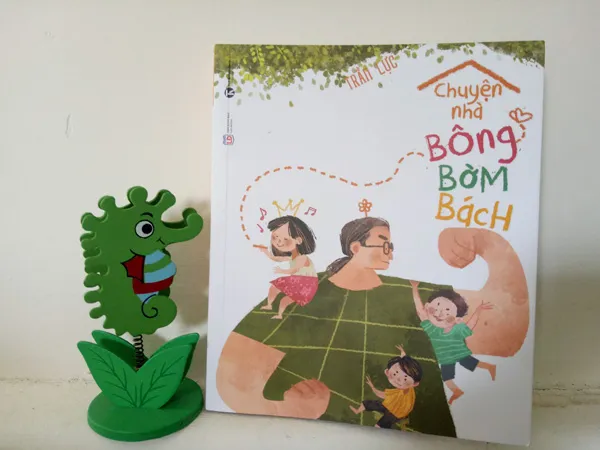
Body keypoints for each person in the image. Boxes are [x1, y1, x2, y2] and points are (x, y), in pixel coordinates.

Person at [217, 218, 529, 439]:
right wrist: (288, 407)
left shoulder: (411, 293)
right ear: (355, 247)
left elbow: (507, 329)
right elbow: (235, 373)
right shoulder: (307, 290)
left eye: (392, 245)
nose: (391, 252)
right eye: (384, 244)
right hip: (309, 438)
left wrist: (483, 242)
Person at [411, 282, 496, 404]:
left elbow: (470, 325)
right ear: (427, 306)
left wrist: (478, 311)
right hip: (445, 358)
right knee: (447, 378)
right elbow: (420, 311)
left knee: (472, 364)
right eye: (437, 306)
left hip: (460, 353)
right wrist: (414, 288)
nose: (439, 314)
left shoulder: (457, 329)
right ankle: (457, 391)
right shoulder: (432, 328)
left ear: (457, 319)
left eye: (447, 311)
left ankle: (490, 367)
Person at [257, 215, 318, 319]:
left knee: (284, 299)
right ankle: (270, 305)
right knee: (274, 288)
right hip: (297, 282)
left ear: (298, 240)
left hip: (306, 285)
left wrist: (282, 271)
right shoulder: (292, 257)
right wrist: (266, 252)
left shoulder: (302, 258)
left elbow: (294, 270)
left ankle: (279, 314)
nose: (278, 242)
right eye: (275, 237)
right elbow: (276, 258)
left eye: (285, 239)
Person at [350, 345, 422, 429]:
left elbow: (382, 394)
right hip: (390, 406)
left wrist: (373, 387)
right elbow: (405, 364)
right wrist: (403, 353)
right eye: (395, 374)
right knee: (370, 403)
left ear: (415, 384)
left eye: (405, 379)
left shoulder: (403, 392)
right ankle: (357, 410)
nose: (398, 379)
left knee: (380, 425)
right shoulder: (405, 387)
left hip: (396, 413)